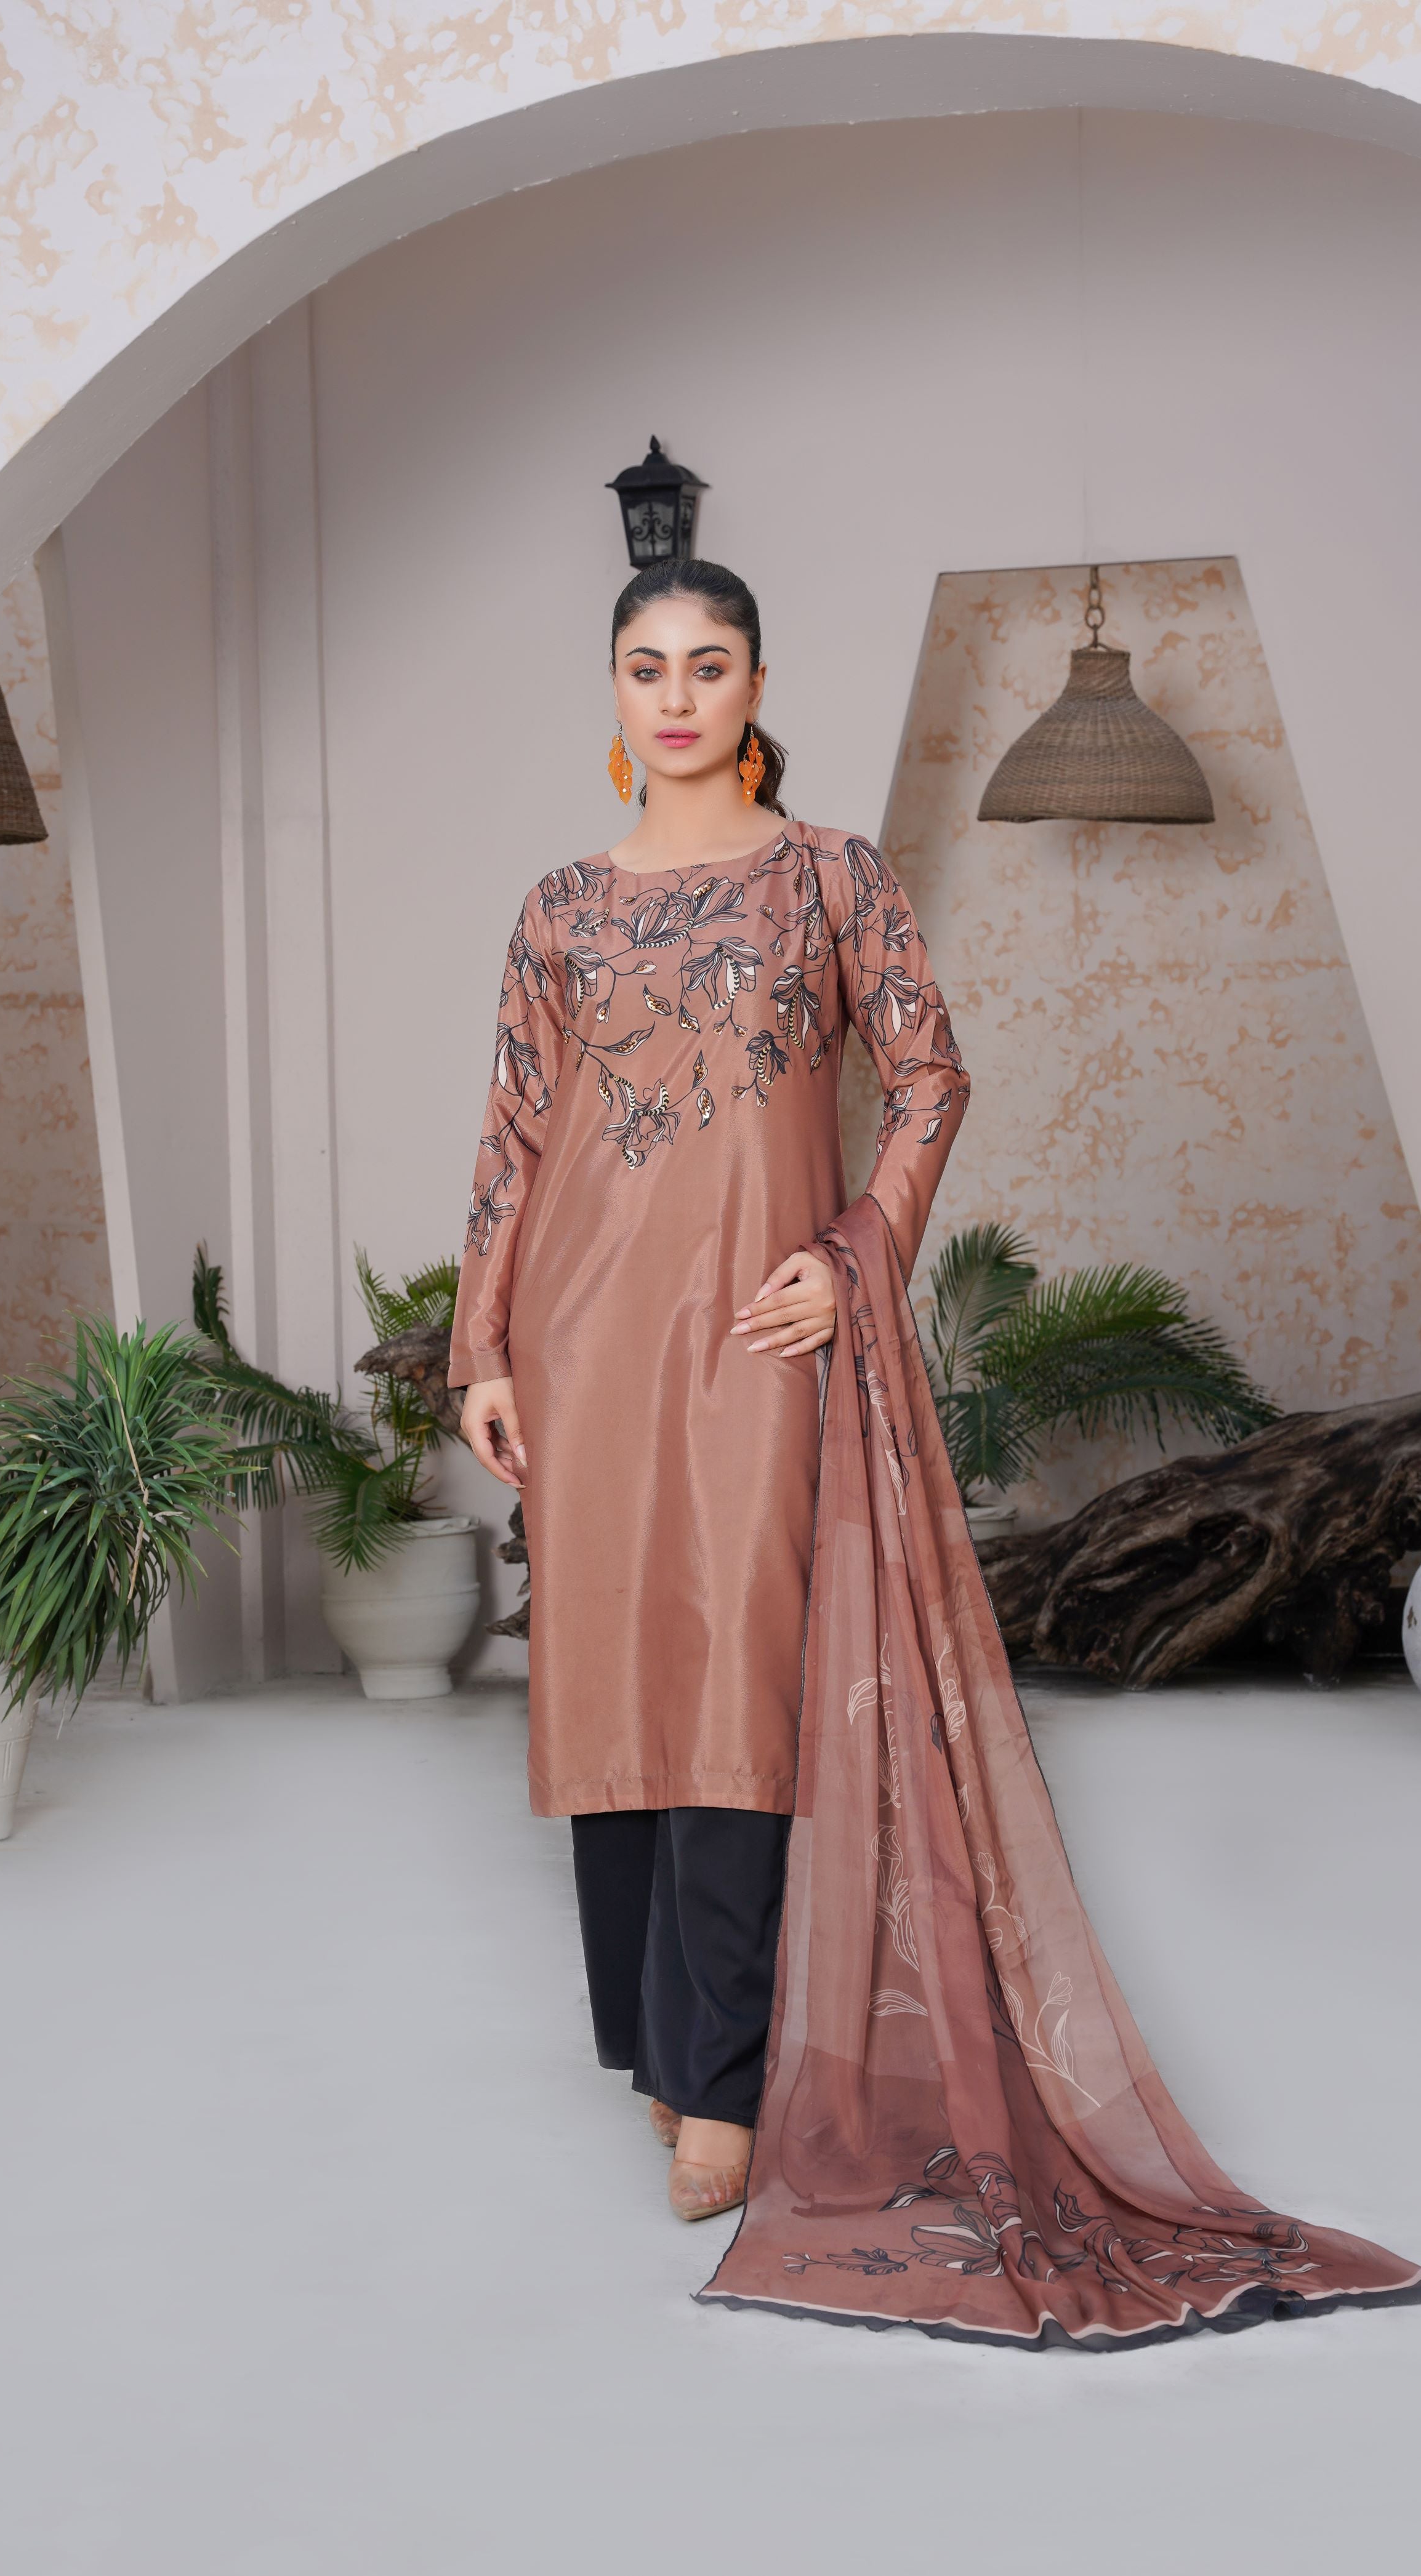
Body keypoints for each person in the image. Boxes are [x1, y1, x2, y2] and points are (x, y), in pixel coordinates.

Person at [449, 558, 968, 2223]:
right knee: (614, 1670)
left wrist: (856, 1252)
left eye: (708, 663)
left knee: (739, 1667)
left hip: (760, 1325)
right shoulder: (559, 907)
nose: (675, 694)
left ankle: (726, 2076)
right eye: (647, 665)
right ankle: (659, 2051)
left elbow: (929, 1076)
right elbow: (513, 1136)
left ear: (754, 686)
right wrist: (482, 1346)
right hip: (584, 1332)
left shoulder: (831, 877)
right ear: (616, 691)